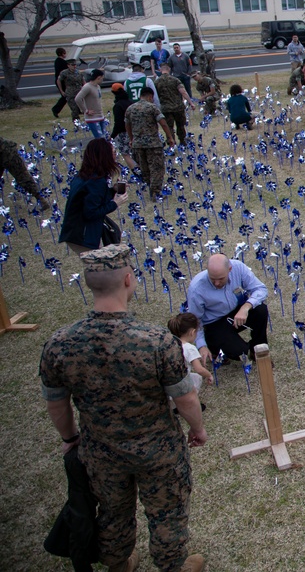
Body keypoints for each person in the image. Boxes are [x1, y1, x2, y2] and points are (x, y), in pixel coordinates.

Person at [39, 244, 207, 572]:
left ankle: (118, 564)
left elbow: (56, 402)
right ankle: (173, 565)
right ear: (128, 279)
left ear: (90, 283)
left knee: (112, 513)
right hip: (158, 450)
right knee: (167, 513)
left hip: (101, 451)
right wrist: (197, 429)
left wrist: (70, 437)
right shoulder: (157, 341)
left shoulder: (60, 344)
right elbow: (185, 398)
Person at [186, 252, 269, 363]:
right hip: (214, 323)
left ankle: (258, 350)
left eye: (221, 278)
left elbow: (261, 289)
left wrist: (245, 307)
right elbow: (195, 320)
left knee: (260, 310)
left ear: (230, 269)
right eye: (212, 279)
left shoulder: (238, 267)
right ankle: (213, 345)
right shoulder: (196, 288)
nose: (216, 283)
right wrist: (201, 346)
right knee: (241, 352)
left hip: (235, 312)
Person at [58, 139, 127, 254]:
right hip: (82, 235)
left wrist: (112, 191)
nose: (116, 156)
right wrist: (115, 203)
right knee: (94, 268)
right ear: (104, 156)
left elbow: (93, 200)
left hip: (74, 232)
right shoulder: (96, 181)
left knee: (95, 268)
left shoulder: (86, 176)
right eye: (113, 153)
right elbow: (91, 212)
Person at [126, 86, 174, 195]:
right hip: (153, 144)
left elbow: (127, 124)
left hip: (138, 144)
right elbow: (163, 123)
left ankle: (149, 187)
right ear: (150, 96)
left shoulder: (130, 108)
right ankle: (155, 192)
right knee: (157, 168)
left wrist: (131, 138)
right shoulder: (152, 108)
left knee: (145, 168)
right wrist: (170, 137)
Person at [167, 312, 214, 392]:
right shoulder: (190, 348)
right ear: (192, 332)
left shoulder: (169, 344)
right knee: (197, 378)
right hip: (180, 384)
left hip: (167, 381)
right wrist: (209, 375)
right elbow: (199, 369)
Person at [0, 137, 50, 210]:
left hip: (6, 152)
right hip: (6, 150)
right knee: (22, 176)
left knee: (22, 176)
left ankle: (41, 199)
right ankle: (41, 199)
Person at [154, 60, 194, 143]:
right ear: (169, 69)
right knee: (180, 125)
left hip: (166, 108)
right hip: (178, 107)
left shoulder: (157, 82)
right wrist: (191, 103)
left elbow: (155, 96)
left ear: (161, 70)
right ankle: (182, 141)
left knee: (169, 127)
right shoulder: (175, 80)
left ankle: (172, 142)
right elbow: (183, 92)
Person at [109, 83, 139, 170]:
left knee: (125, 153)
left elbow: (118, 123)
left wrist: (113, 135)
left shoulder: (118, 106)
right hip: (135, 131)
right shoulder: (131, 103)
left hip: (124, 133)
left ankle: (136, 172)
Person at [75, 69, 108, 139]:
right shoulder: (87, 87)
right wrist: (85, 110)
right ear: (98, 77)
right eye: (102, 78)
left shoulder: (98, 87)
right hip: (92, 118)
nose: (102, 79)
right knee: (100, 139)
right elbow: (78, 98)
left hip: (100, 116)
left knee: (105, 138)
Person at [57, 59, 85, 123]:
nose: (74, 66)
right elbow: (59, 81)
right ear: (68, 65)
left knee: (83, 108)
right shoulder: (64, 73)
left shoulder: (78, 72)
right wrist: (61, 91)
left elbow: (83, 81)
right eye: (72, 65)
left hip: (80, 92)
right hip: (71, 93)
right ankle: (76, 124)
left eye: (75, 65)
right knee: (74, 110)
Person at [52, 47, 70, 118]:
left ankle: (77, 110)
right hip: (61, 81)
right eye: (64, 53)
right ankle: (55, 109)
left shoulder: (58, 61)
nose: (65, 54)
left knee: (70, 96)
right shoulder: (61, 62)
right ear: (60, 54)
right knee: (65, 96)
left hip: (61, 81)